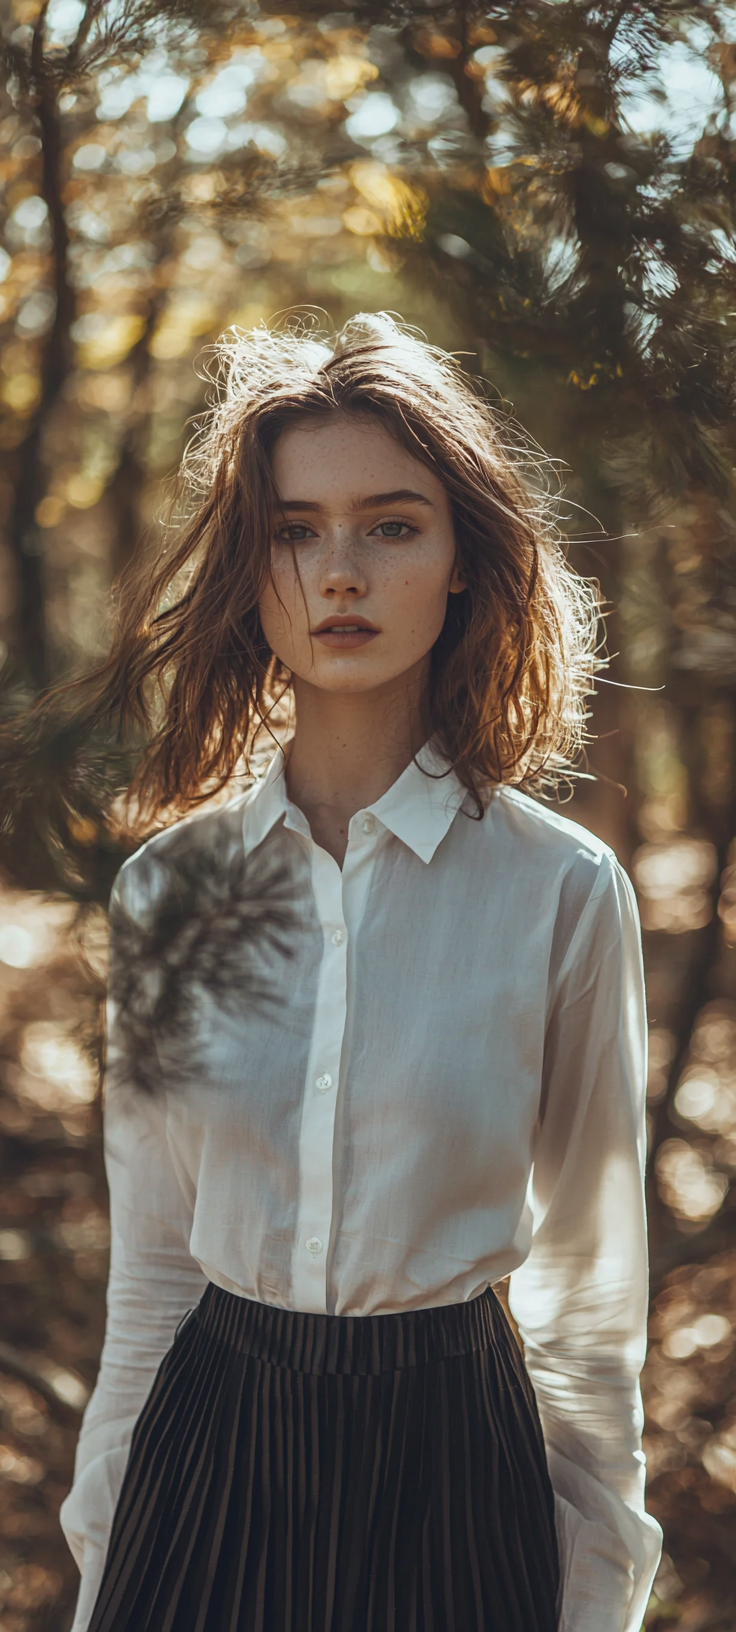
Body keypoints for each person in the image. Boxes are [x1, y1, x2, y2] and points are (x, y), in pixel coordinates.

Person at [59, 312, 662, 1632]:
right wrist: (103, 1555)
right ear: (251, 564)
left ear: (460, 561)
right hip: (204, 1459)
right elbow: (155, 1271)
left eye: (391, 524)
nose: (339, 572)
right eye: (294, 528)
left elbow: (589, 1284)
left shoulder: (559, 890)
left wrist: (597, 1587)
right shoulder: (171, 893)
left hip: (457, 1471)